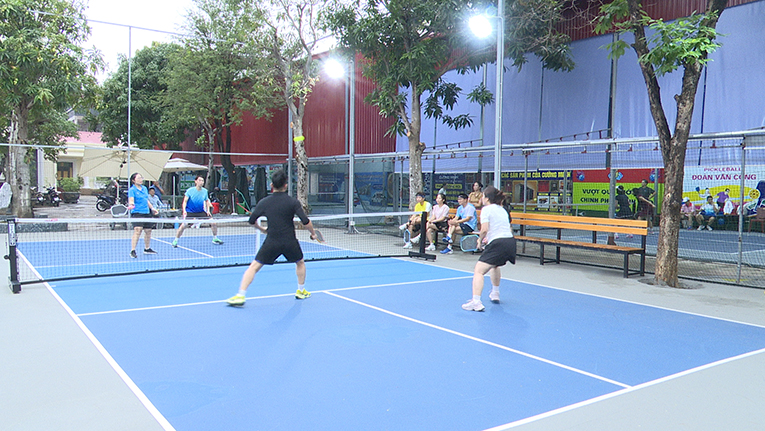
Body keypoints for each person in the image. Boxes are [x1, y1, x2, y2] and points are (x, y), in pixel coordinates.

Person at [226, 169, 318, 306]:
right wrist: (313, 233)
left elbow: (251, 221)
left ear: (271, 185)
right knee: (300, 263)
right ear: (285, 185)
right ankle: (301, 290)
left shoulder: (264, 202)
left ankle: (240, 295)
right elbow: (305, 221)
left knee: (254, 267)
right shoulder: (293, 202)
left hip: (272, 241)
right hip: (289, 242)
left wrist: (262, 229)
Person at [462, 186, 516, 312]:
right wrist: (489, 238)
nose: (481, 198)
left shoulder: (486, 209)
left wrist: (480, 239)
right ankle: (495, 293)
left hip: (498, 242)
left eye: (482, 196)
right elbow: (504, 227)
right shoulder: (502, 210)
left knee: (479, 271)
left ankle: (476, 302)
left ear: (486, 198)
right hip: (510, 241)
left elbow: (484, 229)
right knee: (495, 265)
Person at [171, 174, 223, 247]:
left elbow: (207, 201)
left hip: (201, 212)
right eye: (200, 180)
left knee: (213, 223)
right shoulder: (190, 191)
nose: (201, 182)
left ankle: (215, 238)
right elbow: (185, 201)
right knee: (183, 226)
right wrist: (184, 211)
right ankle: (175, 240)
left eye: (202, 181)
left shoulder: (205, 191)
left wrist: (208, 210)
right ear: (196, 181)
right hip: (190, 212)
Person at [127, 172, 159, 258]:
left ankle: (147, 248)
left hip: (146, 212)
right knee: (138, 230)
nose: (141, 179)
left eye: (141, 178)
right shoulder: (132, 190)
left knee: (148, 230)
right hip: (137, 213)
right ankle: (133, 250)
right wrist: (131, 204)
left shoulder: (144, 188)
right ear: (133, 180)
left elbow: (146, 200)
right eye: (138, 178)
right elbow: (131, 200)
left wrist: (152, 208)